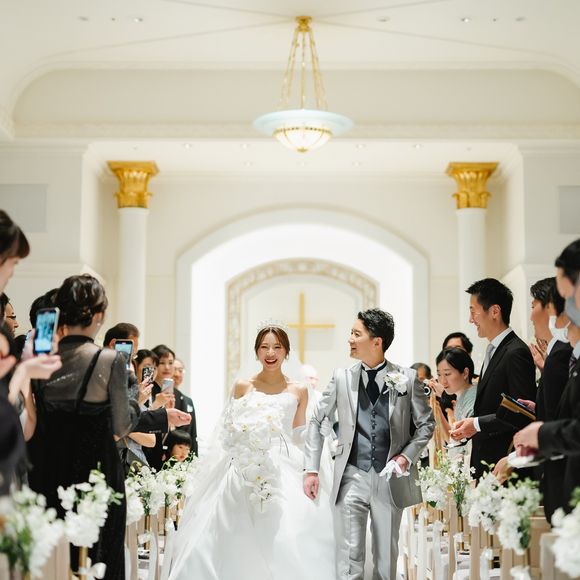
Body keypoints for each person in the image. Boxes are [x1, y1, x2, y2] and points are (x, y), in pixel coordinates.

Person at [169, 323, 336, 580]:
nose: (270, 353)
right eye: (264, 347)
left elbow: (299, 435)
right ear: (256, 351)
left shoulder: (299, 389)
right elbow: (229, 427)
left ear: (286, 352)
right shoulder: (242, 386)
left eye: (277, 347)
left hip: (283, 462)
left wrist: (314, 456)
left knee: (291, 527)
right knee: (228, 525)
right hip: (243, 464)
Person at [304, 308, 435, 580]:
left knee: (386, 562)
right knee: (349, 559)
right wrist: (312, 469)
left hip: (390, 479)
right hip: (351, 476)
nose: (350, 339)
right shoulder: (342, 378)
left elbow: (426, 424)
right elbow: (316, 420)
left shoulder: (407, 379)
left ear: (377, 341)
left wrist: (405, 457)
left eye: (356, 334)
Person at [27, 274, 138, 579]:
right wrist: (133, 396)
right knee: (99, 558)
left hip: (49, 470)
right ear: (99, 315)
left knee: (54, 560)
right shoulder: (108, 360)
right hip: (97, 473)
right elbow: (122, 424)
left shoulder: (41, 360)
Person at [450, 278, 536, 479]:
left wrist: (477, 424)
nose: (471, 319)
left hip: (505, 467)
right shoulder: (494, 350)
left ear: (495, 311)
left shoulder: (515, 352)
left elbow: (521, 413)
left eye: (473, 311)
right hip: (488, 464)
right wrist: (473, 426)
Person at [435, 347, 476, 459]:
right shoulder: (460, 396)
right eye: (439, 374)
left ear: (465, 373)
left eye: (447, 374)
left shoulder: (472, 398)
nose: (442, 381)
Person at [172, 357, 198, 456]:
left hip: (184, 456)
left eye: (180, 370)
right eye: (174, 369)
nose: (177, 374)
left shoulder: (188, 401)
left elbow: (193, 433)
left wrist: (193, 457)